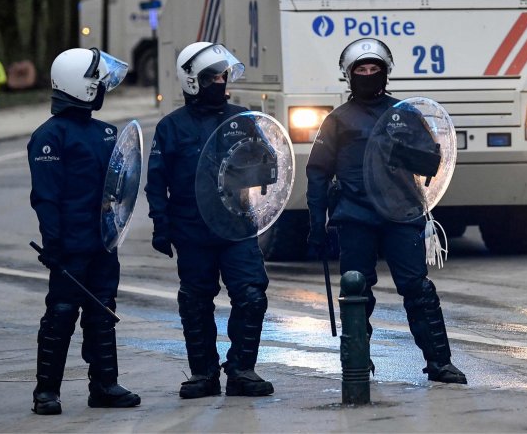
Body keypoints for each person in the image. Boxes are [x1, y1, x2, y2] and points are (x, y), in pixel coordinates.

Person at [306, 37, 467, 385]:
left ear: (385, 72)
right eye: (360, 69)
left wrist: (399, 153)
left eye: (373, 68)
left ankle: (439, 362)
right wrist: (316, 223)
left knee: (418, 289)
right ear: (348, 75)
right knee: (356, 290)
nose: (367, 74)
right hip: (354, 216)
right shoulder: (336, 120)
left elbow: (432, 161)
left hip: (400, 214)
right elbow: (317, 172)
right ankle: (358, 361)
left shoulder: (404, 113)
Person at [145, 42, 275, 399]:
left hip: (236, 227)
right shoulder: (171, 127)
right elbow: (156, 181)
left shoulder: (243, 119)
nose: (220, 82)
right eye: (211, 77)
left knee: (251, 296)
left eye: (223, 75)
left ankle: (242, 370)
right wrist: (161, 224)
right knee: (195, 301)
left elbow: (269, 167)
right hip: (192, 229)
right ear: (192, 81)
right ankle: (203, 373)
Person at [27, 47, 140, 415]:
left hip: (104, 244)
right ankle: (46, 392)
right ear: (80, 85)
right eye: (96, 81)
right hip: (70, 247)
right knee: (60, 314)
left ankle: (104, 385)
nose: (102, 87)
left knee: (103, 313)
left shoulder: (107, 132)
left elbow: (121, 187)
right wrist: (53, 243)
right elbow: (46, 196)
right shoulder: (49, 136)